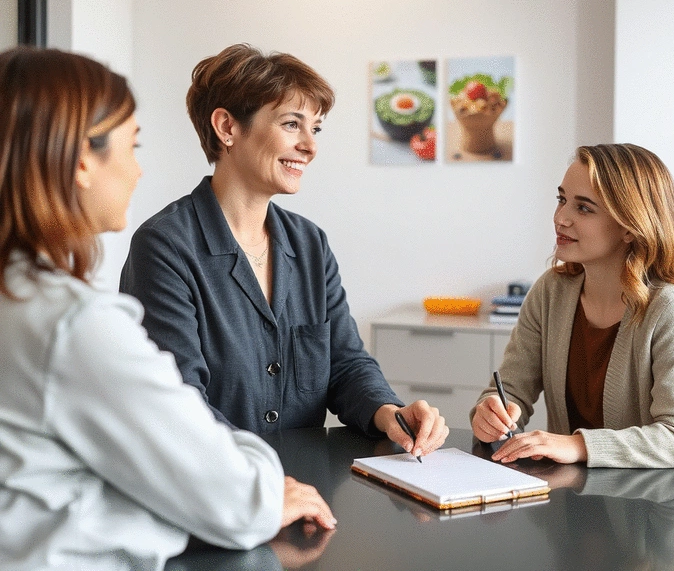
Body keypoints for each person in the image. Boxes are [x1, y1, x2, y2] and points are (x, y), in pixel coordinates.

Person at [0, 46, 335, 568]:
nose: (138, 171)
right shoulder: (73, 322)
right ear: (82, 160)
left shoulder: (19, 301)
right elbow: (224, 488)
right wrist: (258, 481)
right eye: (131, 147)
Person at [120, 44, 447, 458]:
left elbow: (345, 363)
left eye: (316, 128)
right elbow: (179, 405)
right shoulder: (165, 247)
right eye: (292, 124)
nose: (310, 146)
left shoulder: (310, 244)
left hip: (305, 493)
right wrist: (262, 484)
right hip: (217, 495)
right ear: (227, 128)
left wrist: (389, 412)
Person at [470, 143, 674, 509]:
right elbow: (510, 390)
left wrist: (576, 445)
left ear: (630, 226)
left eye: (583, 207)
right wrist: (493, 410)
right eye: (562, 199)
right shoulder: (550, 291)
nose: (561, 217)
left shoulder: (670, 307)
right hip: (589, 498)